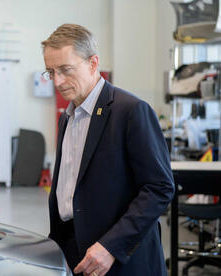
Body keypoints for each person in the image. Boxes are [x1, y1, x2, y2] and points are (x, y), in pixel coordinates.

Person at [42, 24, 174, 276]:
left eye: (66, 70)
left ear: (93, 63)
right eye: (51, 72)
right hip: (76, 252)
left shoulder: (130, 111)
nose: (57, 81)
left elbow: (159, 188)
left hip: (121, 257)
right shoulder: (67, 117)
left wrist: (110, 247)